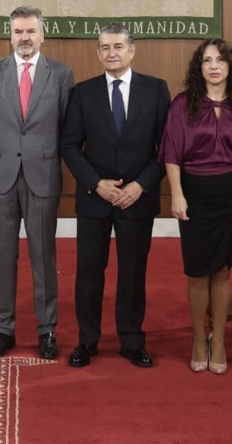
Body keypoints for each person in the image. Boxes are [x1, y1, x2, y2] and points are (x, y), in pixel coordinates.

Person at [60, 25, 170, 369]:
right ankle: (87, 341)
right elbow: (69, 146)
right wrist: (96, 184)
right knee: (89, 272)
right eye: (105, 47)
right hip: (96, 199)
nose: (111, 53)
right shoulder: (83, 92)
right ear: (98, 53)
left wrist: (140, 185)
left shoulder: (155, 90)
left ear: (132, 51)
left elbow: (167, 147)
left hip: (138, 198)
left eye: (118, 46)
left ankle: (132, 340)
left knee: (133, 272)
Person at [161, 38, 232, 375]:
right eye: (207, 60)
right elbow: (172, 153)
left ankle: (218, 338)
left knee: (222, 271)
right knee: (195, 272)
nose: (214, 65)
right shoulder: (181, 105)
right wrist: (176, 194)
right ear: (199, 68)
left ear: (230, 66)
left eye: (220, 59)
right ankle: (197, 337)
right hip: (193, 191)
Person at [0, 5, 73, 360]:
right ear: (10, 35)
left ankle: (47, 329)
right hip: (1, 179)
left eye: (31, 31)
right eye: (18, 32)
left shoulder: (62, 75)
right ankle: (3, 329)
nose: (24, 38)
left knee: (43, 258)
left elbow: (65, 129)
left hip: (43, 177)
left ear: (42, 35)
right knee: (3, 257)